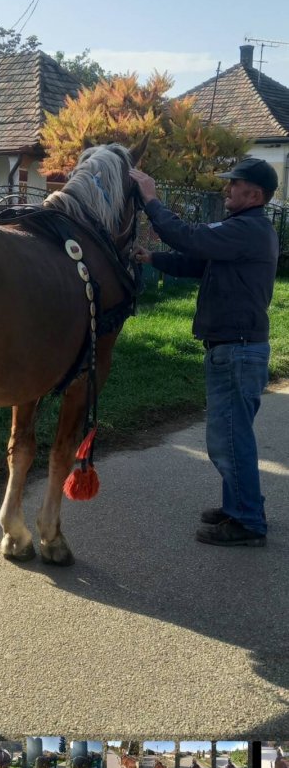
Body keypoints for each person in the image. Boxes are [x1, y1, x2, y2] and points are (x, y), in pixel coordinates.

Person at [132, 157, 279, 547]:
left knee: (229, 440)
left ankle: (248, 522)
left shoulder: (248, 228)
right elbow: (199, 260)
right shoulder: (243, 230)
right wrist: (155, 259)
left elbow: (191, 237)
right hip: (235, 348)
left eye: (234, 184)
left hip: (237, 350)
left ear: (255, 194)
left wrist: (151, 201)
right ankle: (240, 507)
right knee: (233, 436)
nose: (226, 189)